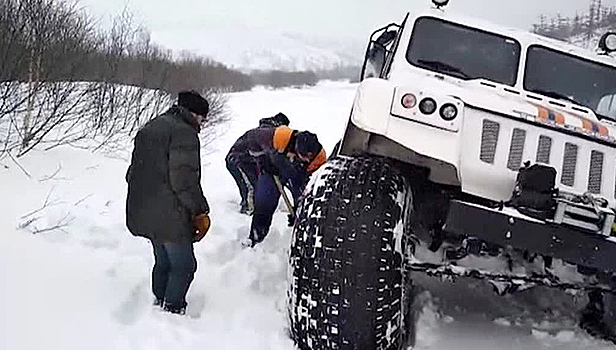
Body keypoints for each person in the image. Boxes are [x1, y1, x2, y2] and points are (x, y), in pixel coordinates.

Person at [125, 90, 211, 315]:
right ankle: (172, 310)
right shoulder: (184, 134)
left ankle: (159, 301)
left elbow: (132, 172)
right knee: (184, 266)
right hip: (170, 213)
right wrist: (200, 211)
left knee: (163, 260)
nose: (203, 123)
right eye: (203, 117)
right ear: (194, 114)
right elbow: (184, 180)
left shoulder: (151, 127)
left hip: (145, 208)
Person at [240, 126, 327, 247]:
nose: (306, 159)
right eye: (303, 156)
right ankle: (255, 237)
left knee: (305, 201)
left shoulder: (319, 159)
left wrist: (298, 209)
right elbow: (252, 138)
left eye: (309, 157)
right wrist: (262, 159)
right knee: (265, 200)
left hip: (299, 175)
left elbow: (307, 187)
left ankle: (301, 235)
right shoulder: (281, 136)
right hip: (273, 169)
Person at [226, 112, 290, 214]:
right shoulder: (267, 131)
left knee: (257, 185)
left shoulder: (270, 130)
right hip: (237, 159)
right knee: (249, 186)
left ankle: (254, 207)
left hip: (249, 161)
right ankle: (247, 211)